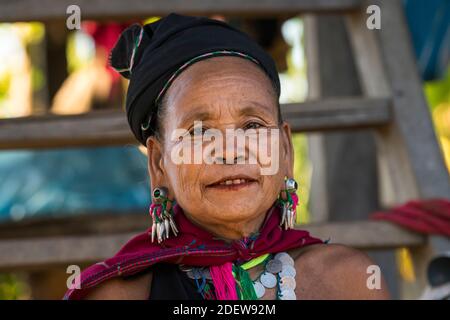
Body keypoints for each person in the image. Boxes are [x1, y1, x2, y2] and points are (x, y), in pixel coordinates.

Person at [64, 13, 390, 300]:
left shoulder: (350, 282)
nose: (231, 151)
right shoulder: (120, 295)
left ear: (285, 150)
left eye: (252, 125)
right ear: (159, 163)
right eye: (199, 132)